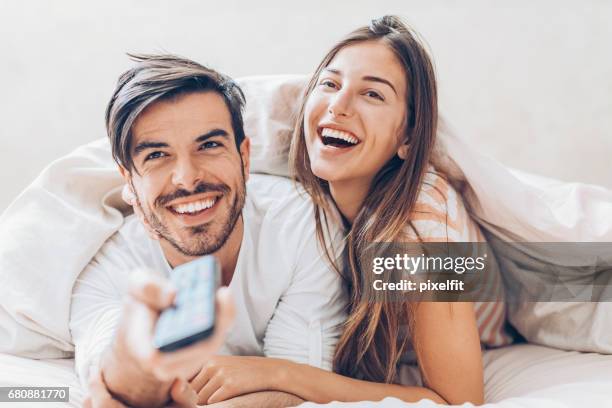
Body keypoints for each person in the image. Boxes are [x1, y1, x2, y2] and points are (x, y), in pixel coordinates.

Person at [186, 15, 512, 406]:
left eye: (373, 94)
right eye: (330, 83)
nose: (338, 106)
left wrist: (279, 373)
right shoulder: (278, 155)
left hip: (500, 319)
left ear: (407, 136)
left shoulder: (422, 227)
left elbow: (455, 399)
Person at [69, 54, 347, 408]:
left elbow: (297, 390)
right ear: (129, 181)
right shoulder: (108, 266)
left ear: (245, 158)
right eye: (156, 155)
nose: (188, 177)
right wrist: (142, 362)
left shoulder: (303, 226)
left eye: (209, 145)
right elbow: (111, 387)